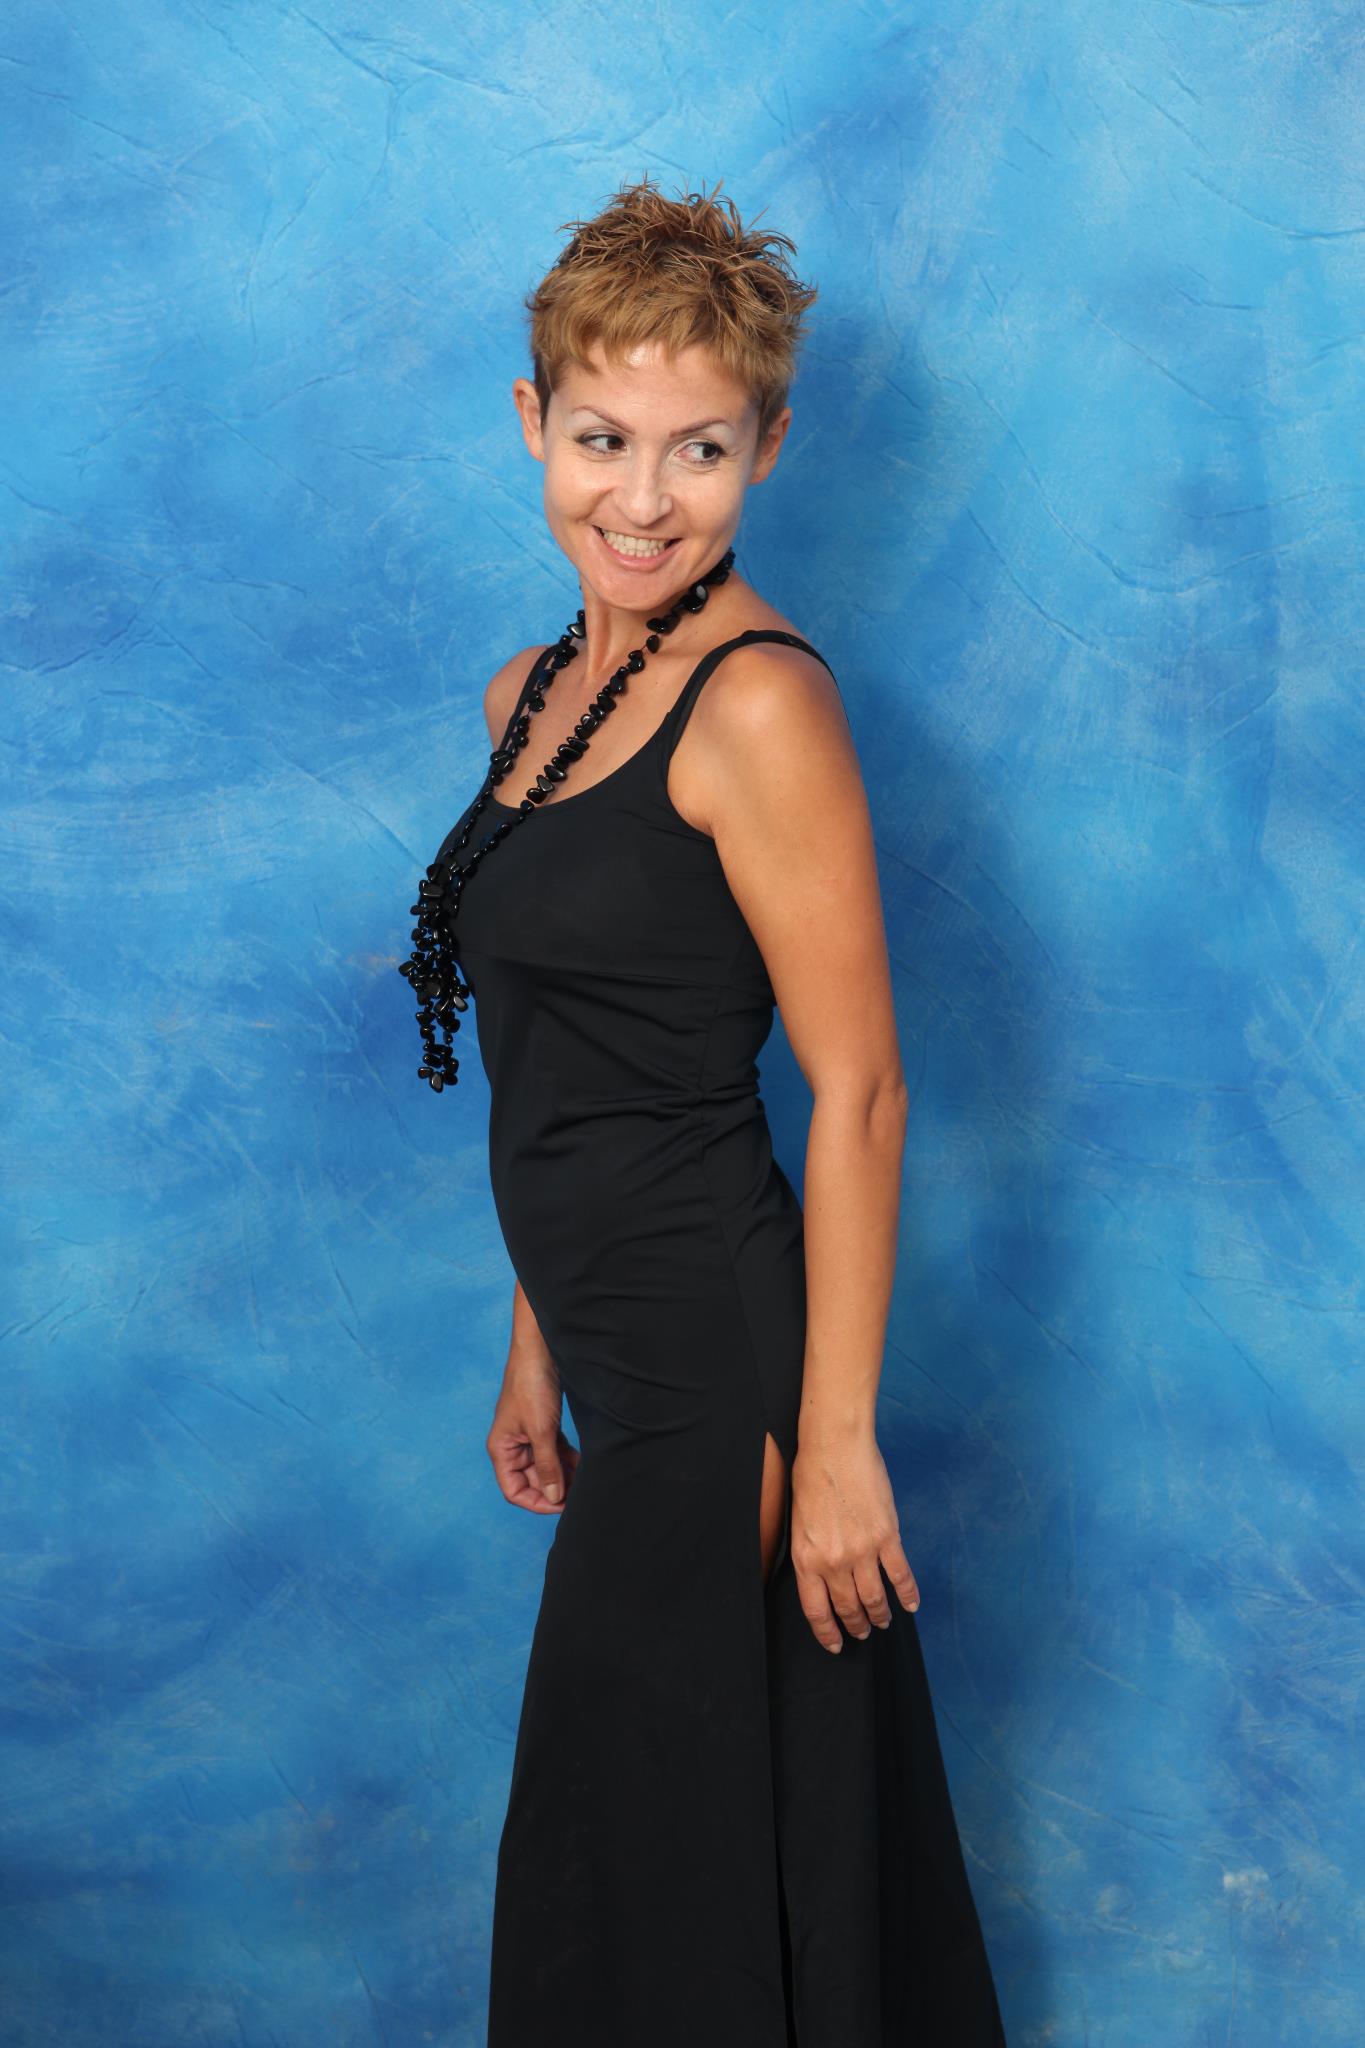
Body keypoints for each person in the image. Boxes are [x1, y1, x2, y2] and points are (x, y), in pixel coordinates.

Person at [400, 174, 1006, 2047]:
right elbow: (563, 1062)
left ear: (770, 446)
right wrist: (532, 1349)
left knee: (649, 1879)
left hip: (720, 1367)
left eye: (700, 450)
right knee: (659, 1860)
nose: (643, 500)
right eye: (602, 439)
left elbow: (861, 1090)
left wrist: (835, 1447)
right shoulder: (527, 697)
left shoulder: (755, 709)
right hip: (608, 1346)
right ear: (533, 421)